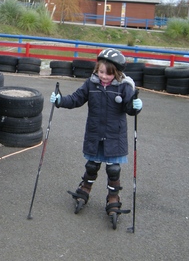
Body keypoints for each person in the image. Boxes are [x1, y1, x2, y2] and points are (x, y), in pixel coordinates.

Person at [50, 48, 143, 217]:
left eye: (108, 74)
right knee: (92, 165)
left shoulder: (124, 87)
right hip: (95, 133)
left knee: (113, 169)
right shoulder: (91, 84)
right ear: (97, 69)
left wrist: (136, 105)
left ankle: (113, 197)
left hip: (115, 136)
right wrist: (60, 100)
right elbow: (76, 99)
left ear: (117, 73)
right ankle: (84, 188)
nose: (104, 76)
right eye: (101, 72)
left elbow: (130, 108)